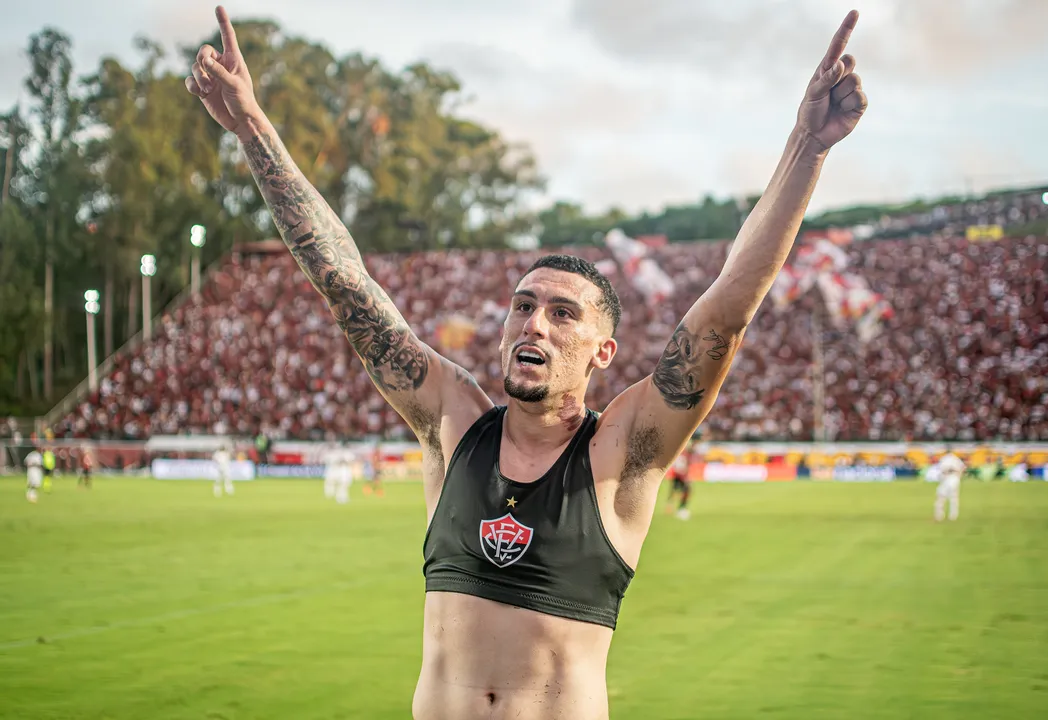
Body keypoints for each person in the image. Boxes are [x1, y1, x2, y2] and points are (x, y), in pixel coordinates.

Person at [186, 7, 867, 717]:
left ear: (603, 352)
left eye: (562, 312)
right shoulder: (454, 426)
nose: (532, 322)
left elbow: (727, 309)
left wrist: (807, 147)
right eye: (522, 304)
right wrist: (251, 126)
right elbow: (344, 281)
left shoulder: (622, 453)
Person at [934, 448, 965, 522]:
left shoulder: (944, 458)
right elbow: (963, 468)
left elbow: (941, 470)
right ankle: (953, 516)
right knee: (953, 498)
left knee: (941, 497)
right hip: (954, 478)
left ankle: (940, 515)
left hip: (947, 478)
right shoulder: (956, 458)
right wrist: (959, 476)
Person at [665, 448, 693, 520]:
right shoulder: (681, 454)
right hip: (679, 476)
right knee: (679, 491)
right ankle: (678, 508)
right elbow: (680, 466)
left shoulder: (682, 453)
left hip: (680, 476)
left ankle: (678, 507)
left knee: (678, 491)